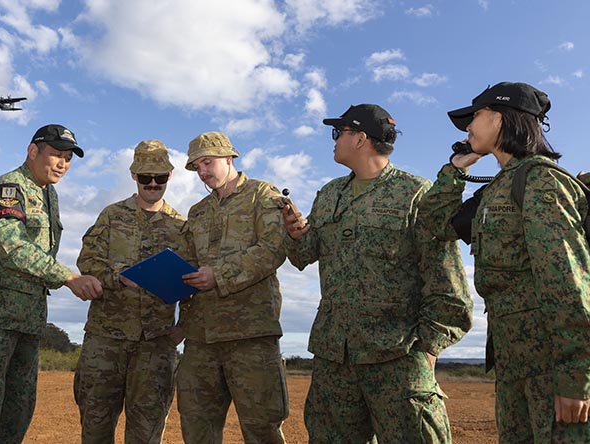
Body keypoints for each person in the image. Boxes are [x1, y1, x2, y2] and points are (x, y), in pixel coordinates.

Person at [282, 104, 473, 443]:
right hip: (334, 357)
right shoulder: (329, 195)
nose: (334, 140)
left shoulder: (414, 193)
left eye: (338, 132)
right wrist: (296, 235)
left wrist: (428, 350)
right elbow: (303, 256)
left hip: (396, 357)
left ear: (360, 139)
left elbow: (447, 280)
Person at [417, 82, 590, 443]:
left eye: (475, 116)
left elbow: (567, 282)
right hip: (513, 364)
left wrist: (576, 376)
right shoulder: (498, 187)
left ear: (501, 118)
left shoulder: (539, 180)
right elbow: (436, 224)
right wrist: (454, 170)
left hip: (551, 367)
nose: (468, 128)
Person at [0, 124, 103, 443]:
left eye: (68, 158)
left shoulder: (49, 194)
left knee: (16, 413)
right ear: (33, 151)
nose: (63, 163)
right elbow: (12, 246)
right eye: (56, 155)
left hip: (28, 320)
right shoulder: (11, 188)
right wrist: (69, 277)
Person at [178, 131, 288, 444]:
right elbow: (188, 266)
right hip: (201, 338)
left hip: (250, 336)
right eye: (196, 166)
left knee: (262, 429)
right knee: (197, 428)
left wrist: (220, 276)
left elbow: (273, 248)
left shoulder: (261, 194)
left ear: (229, 158)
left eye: (208, 162)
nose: (202, 171)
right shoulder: (197, 211)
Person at [74, 139, 187, 443]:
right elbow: (87, 260)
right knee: (95, 426)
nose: (153, 183)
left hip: (155, 346)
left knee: (147, 432)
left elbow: (193, 282)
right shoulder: (111, 216)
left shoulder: (182, 226)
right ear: (134, 175)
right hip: (106, 340)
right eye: (146, 177)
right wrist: (117, 277)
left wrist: (183, 328)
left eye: (160, 177)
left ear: (169, 177)